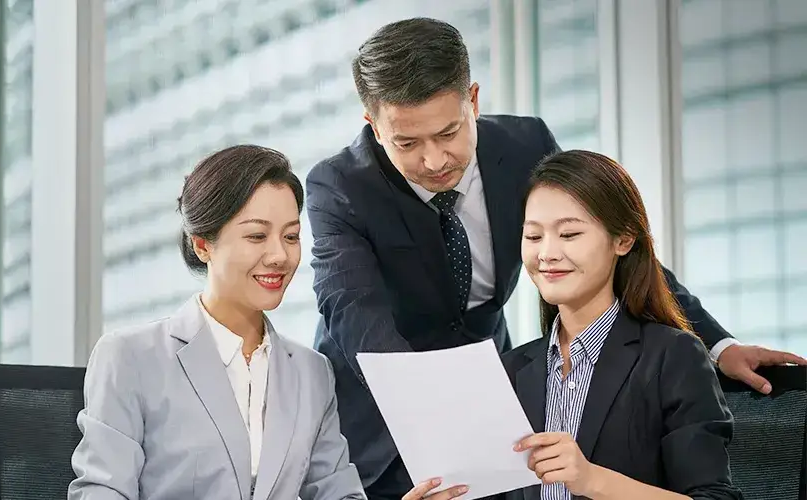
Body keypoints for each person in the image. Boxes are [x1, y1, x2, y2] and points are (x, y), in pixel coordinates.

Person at [306, 17, 800, 498]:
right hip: (383, 420)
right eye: (407, 143)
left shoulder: (524, 147)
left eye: (449, 133)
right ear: (372, 125)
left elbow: (612, 242)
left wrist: (716, 345)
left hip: (495, 392)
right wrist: (439, 423)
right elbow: (356, 313)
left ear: (473, 101)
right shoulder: (341, 186)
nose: (434, 160)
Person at [405, 150, 738, 500]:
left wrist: (593, 480)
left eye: (569, 235)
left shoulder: (673, 356)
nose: (546, 254)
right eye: (533, 237)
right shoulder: (510, 371)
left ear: (623, 239)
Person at [71, 145, 364, 500]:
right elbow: (102, 492)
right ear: (202, 246)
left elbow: (339, 494)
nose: (279, 256)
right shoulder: (130, 358)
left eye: (290, 236)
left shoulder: (312, 373)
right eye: (257, 236)